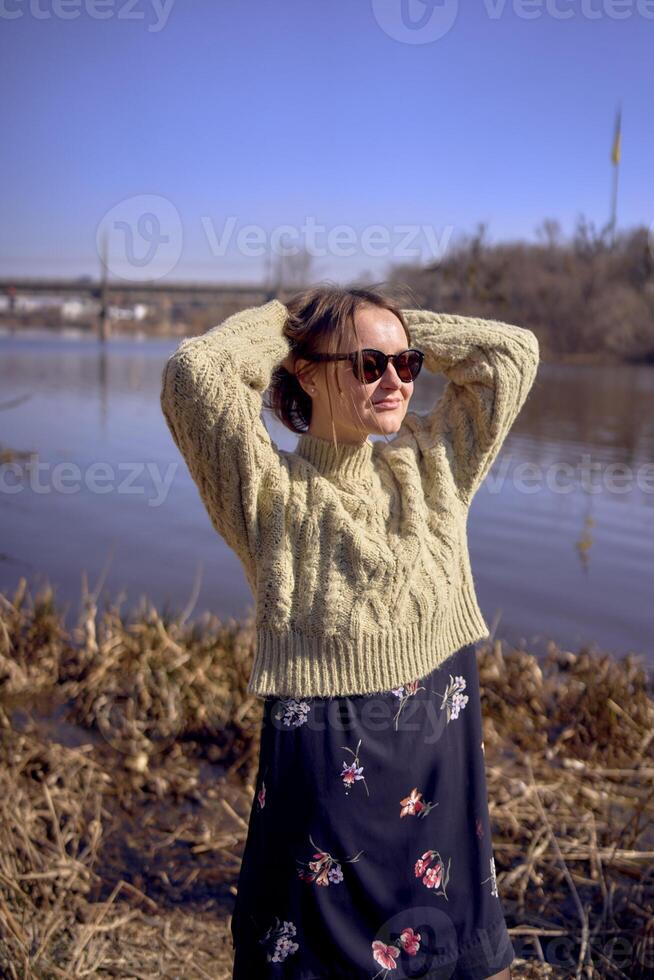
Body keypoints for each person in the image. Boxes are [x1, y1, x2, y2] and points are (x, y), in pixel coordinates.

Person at [159, 283, 540, 979]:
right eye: (369, 365)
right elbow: (196, 375)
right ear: (305, 371)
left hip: (439, 751)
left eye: (408, 365)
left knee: (435, 952)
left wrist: (389, 330)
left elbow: (511, 355)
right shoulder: (269, 495)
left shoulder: (434, 468)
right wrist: (292, 323)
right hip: (333, 764)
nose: (396, 380)